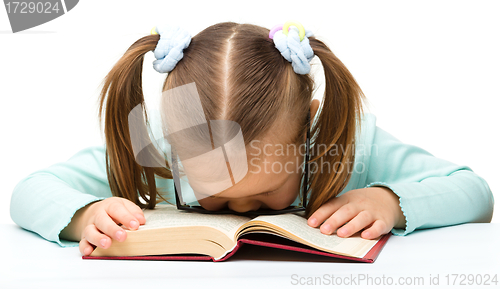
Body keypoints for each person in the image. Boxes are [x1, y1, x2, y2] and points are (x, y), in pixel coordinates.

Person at [10, 21, 494, 257]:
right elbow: (30, 189)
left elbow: (474, 192)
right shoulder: (155, 149)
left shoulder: (343, 143)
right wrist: (84, 216)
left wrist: (389, 202)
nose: (243, 212)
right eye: (215, 196)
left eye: (264, 193)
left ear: (309, 128)